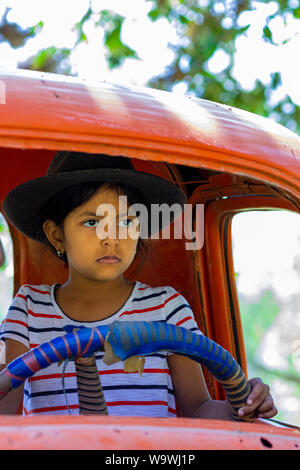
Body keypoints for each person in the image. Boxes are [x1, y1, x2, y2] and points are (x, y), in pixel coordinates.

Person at [0, 151, 277, 419]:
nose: (111, 238)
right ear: (57, 235)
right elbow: (5, 414)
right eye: (91, 221)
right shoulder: (28, 309)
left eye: (125, 221)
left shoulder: (167, 307)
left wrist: (240, 405)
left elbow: (197, 410)